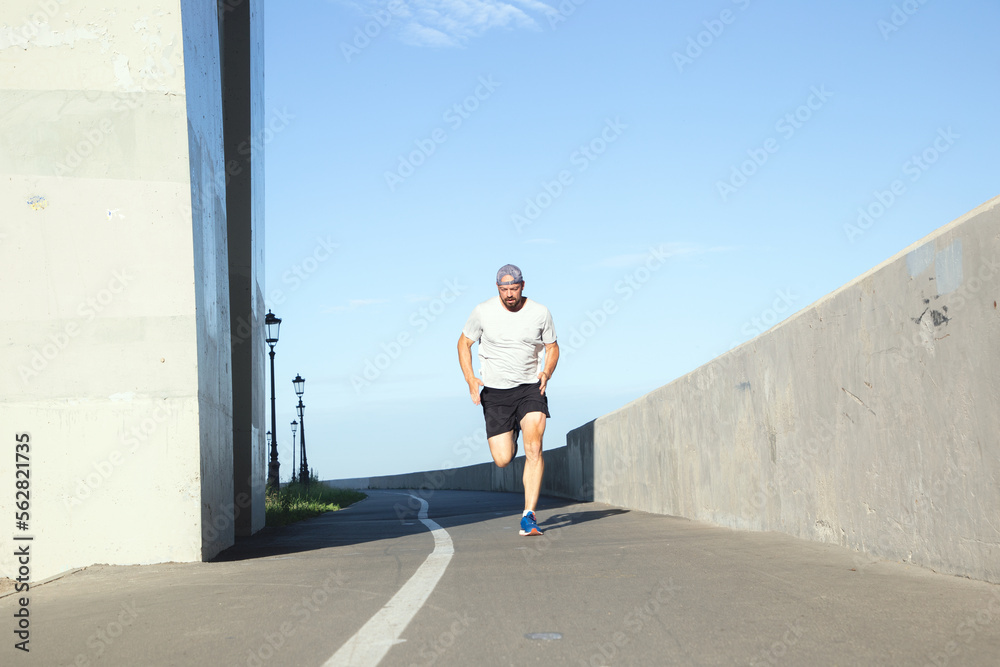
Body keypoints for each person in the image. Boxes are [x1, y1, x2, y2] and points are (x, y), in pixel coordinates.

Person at [457, 264, 559, 536]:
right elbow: (463, 342)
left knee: (534, 447)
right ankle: (512, 430)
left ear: (523, 286)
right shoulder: (483, 311)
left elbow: (552, 346)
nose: (509, 294)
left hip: (530, 387)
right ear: (497, 289)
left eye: (514, 289)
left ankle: (529, 515)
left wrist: (546, 371)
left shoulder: (540, 312)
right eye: (504, 290)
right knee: (503, 459)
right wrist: (470, 379)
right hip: (496, 392)